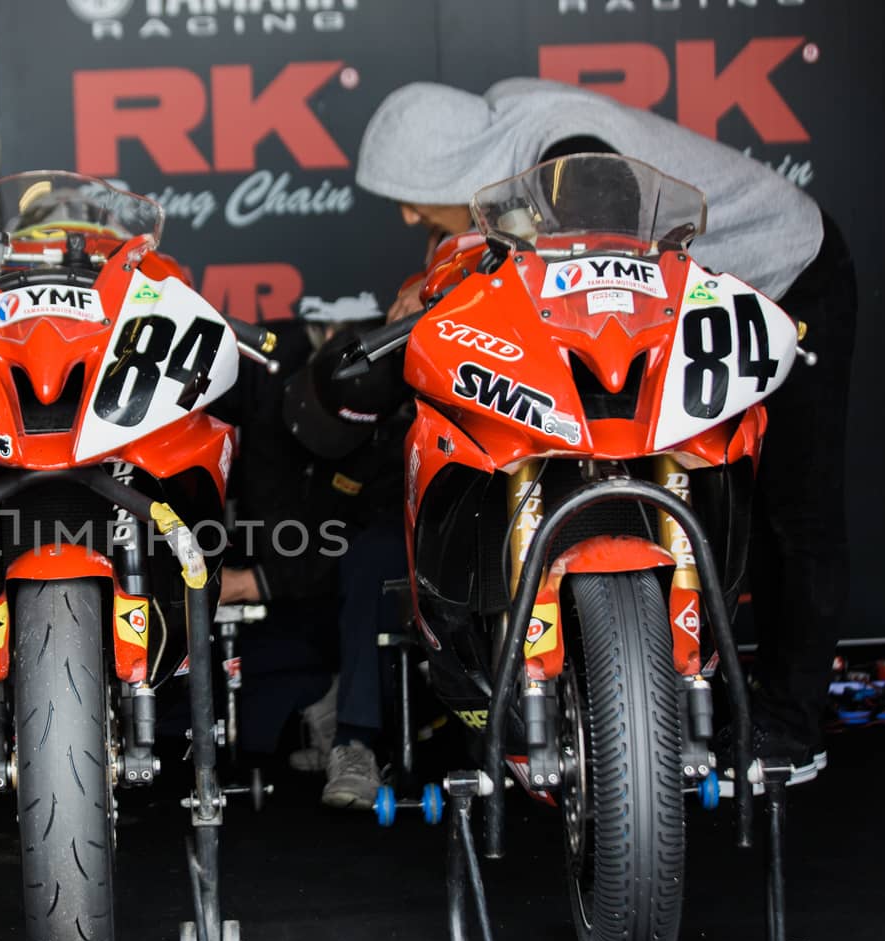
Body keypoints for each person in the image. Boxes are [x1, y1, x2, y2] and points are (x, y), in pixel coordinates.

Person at [353, 78, 855, 785]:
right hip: (697, 283)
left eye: (410, 191)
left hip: (782, 273)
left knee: (793, 504)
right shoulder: (507, 148)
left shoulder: (571, 150)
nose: (407, 214)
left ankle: (795, 726)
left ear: (451, 165)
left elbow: (610, 283)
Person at [217, 318, 411, 810]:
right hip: (251, 578)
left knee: (379, 554)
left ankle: (356, 741)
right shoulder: (264, 357)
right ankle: (320, 698)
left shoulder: (396, 440)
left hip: (327, 598)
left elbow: (356, 543)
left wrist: (257, 583)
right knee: (197, 681)